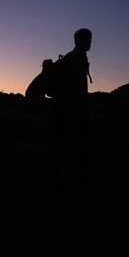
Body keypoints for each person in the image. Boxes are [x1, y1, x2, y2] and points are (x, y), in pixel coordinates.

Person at [48, 28, 93, 190]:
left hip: (65, 108)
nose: (90, 42)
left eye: (90, 39)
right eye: (88, 39)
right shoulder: (77, 58)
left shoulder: (73, 57)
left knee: (63, 144)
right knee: (73, 145)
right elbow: (77, 87)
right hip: (71, 109)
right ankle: (69, 182)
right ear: (80, 40)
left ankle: (58, 179)